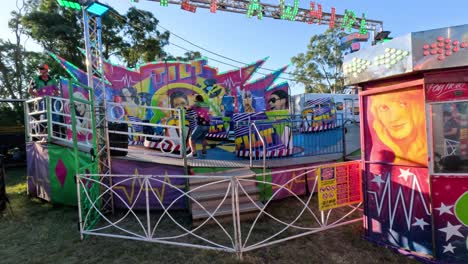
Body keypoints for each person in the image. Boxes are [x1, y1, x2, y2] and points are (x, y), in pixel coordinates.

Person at [369, 88, 427, 166]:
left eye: (403, 104)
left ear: (418, 107)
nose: (393, 118)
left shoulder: (430, 146)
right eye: (384, 107)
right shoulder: (379, 149)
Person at [28, 63, 60, 139]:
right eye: (39, 69)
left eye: (41, 69)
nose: (40, 70)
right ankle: (44, 134)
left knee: (55, 114)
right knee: (43, 116)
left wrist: (53, 97)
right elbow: (29, 90)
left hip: (52, 101)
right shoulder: (35, 79)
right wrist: (38, 96)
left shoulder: (52, 79)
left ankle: (54, 133)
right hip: (41, 102)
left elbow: (57, 91)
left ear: (46, 70)